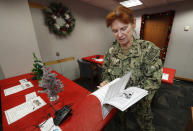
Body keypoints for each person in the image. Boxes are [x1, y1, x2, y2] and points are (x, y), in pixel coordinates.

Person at [100, 5, 163, 131]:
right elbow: (106, 72)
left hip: (140, 104)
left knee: (146, 126)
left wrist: (132, 97)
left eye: (123, 28)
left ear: (133, 23)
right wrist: (106, 82)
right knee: (119, 126)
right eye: (115, 31)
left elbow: (154, 80)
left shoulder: (148, 49)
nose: (119, 35)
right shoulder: (111, 51)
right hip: (117, 103)